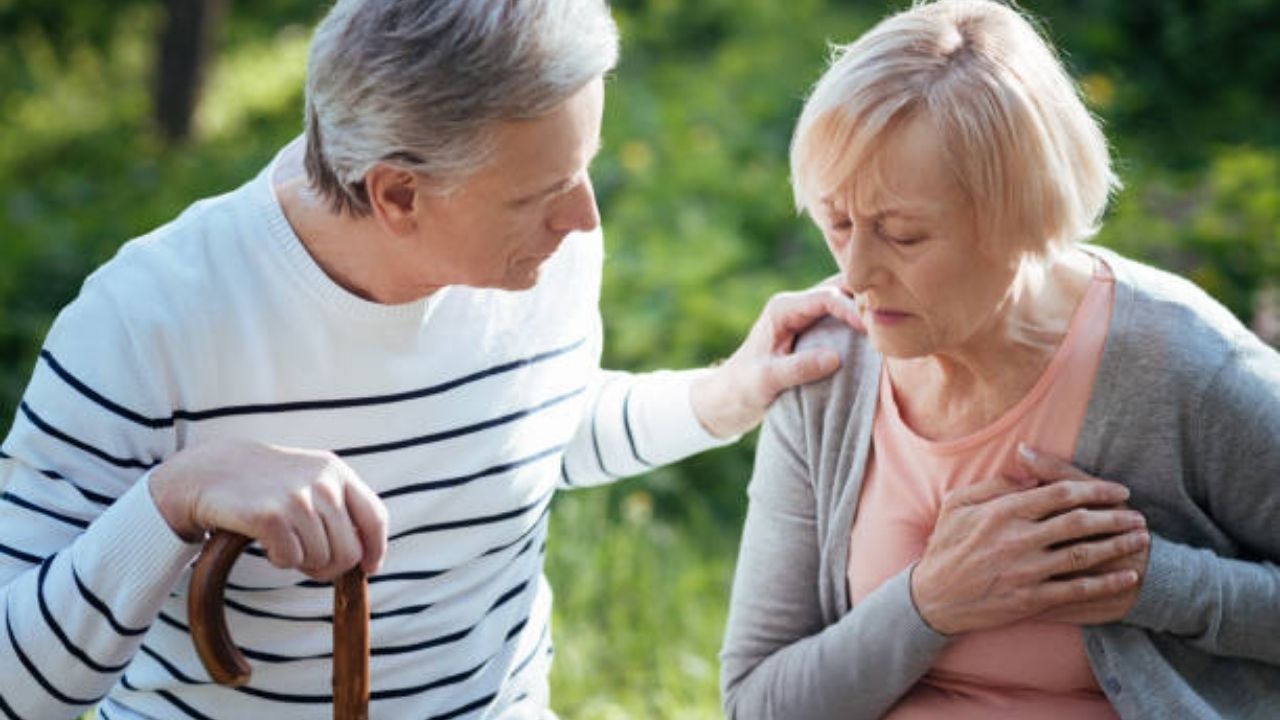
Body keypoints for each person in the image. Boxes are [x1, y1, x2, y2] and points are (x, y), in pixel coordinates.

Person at [0, 1, 863, 718]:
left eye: (584, 170)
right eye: (542, 194)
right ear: (399, 194)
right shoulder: (147, 318)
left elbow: (528, 429)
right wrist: (176, 499)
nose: (585, 222)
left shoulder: (542, 258)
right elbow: (17, 684)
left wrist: (719, 397)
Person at [719, 1, 1280, 718]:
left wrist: (1154, 582)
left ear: (1024, 218)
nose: (855, 274)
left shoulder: (1181, 363)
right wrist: (930, 603)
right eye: (837, 221)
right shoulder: (825, 363)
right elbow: (755, 704)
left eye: (904, 236)